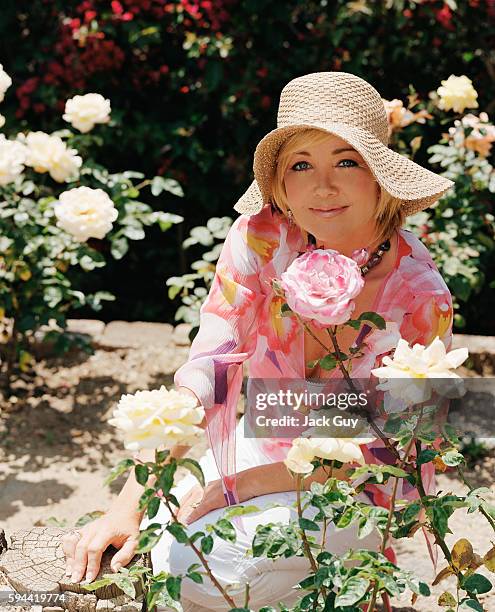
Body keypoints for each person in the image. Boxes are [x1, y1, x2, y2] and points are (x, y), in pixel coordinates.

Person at [62, 72, 454, 610]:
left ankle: (355, 582)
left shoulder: (421, 295)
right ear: (280, 185)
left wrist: (237, 488)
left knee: (204, 566)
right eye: (300, 165)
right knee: (149, 535)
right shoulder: (261, 239)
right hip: (268, 436)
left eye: (346, 161)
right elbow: (210, 368)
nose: (323, 186)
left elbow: (397, 450)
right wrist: (129, 501)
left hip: (356, 488)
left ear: (380, 176)